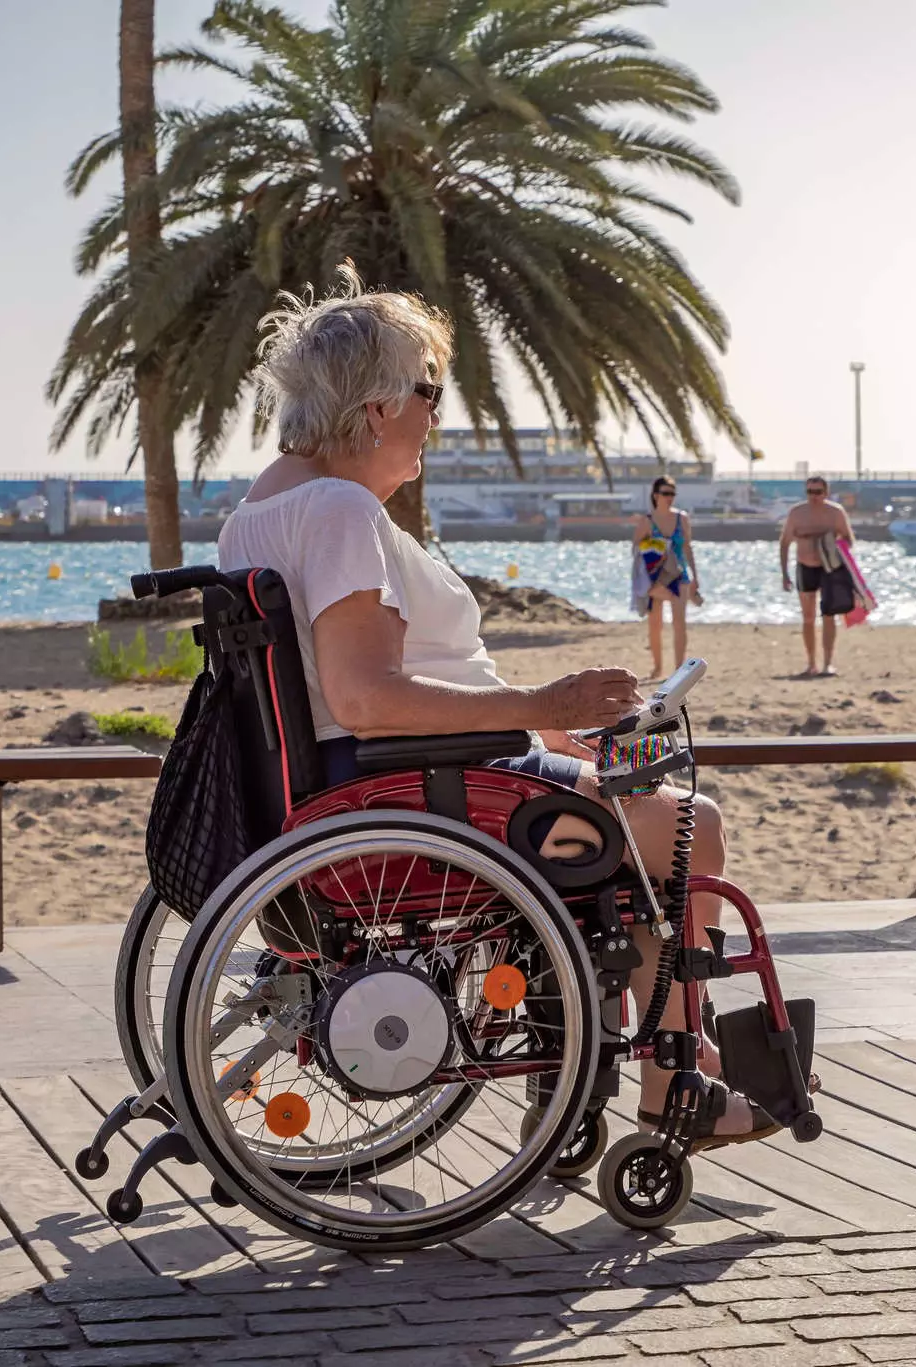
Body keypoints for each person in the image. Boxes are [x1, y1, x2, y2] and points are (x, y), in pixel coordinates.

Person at [215, 269, 775, 1146]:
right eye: (430, 392)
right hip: (406, 793)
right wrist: (544, 700)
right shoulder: (336, 510)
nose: (438, 416)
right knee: (685, 825)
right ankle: (677, 1075)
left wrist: (554, 727)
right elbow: (366, 697)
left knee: (627, 796)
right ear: (377, 408)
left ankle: (581, 1073)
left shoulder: (259, 511)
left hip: (397, 778)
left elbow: (387, 685)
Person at [779, 475, 855, 677]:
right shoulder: (797, 513)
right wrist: (784, 574)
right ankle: (811, 662)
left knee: (829, 615)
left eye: (818, 492)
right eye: (810, 492)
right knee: (808, 618)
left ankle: (828, 663)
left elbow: (849, 539)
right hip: (805, 567)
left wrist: (829, 543)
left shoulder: (835, 513)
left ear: (826, 493)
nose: (814, 496)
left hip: (829, 568)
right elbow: (784, 543)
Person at [632, 476, 702, 681]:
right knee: (655, 625)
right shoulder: (647, 521)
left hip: (679, 574)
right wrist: (657, 550)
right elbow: (635, 549)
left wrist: (695, 576)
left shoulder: (682, 518)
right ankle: (657, 668)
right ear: (655, 495)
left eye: (672, 493)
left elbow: (688, 547)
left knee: (680, 623)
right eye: (665, 493)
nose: (669, 497)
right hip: (654, 577)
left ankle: (680, 669)